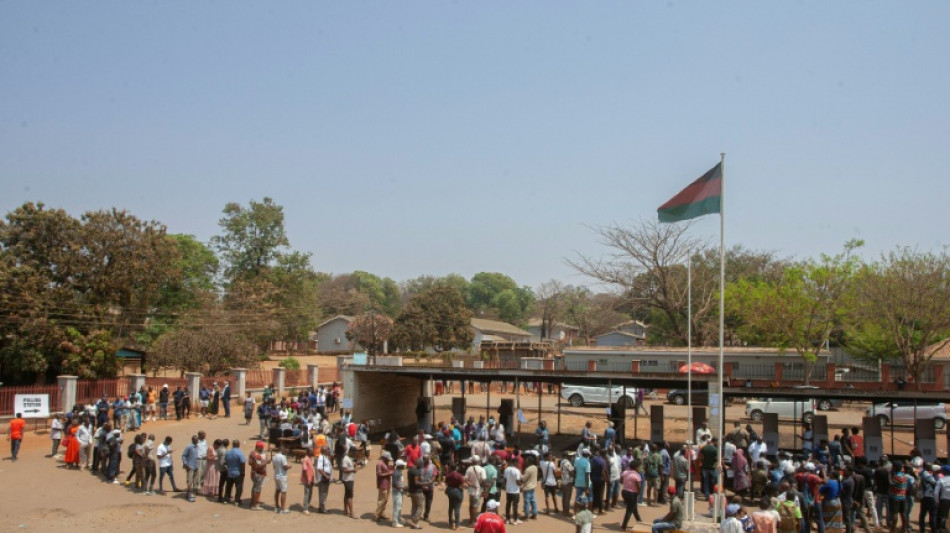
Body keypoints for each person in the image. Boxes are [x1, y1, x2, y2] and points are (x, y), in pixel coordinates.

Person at [620, 459, 643, 529]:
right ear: (636, 467)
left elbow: (621, 481)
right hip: (632, 494)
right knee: (629, 510)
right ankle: (624, 525)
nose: (640, 468)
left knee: (634, 508)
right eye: (639, 467)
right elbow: (639, 487)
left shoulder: (625, 472)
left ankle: (639, 521)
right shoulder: (637, 475)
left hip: (624, 492)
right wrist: (638, 494)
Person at [465, 457, 487, 525]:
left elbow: (466, 479)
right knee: (475, 506)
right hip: (478, 490)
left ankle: (471, 520)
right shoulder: (481, 469)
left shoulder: (469, 468)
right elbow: (483, 480)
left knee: (471, 505)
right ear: (478, 461)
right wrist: (485, 489)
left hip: (471, 490)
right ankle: (472, 522)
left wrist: (471, 485)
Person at [224, 439, 246, 506]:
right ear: (238, 445)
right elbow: (243, 463)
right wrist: (243, 472)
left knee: (228, 487)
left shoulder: (228, 452)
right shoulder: (240, 453)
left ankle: (226, 499)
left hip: (230, 472)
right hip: (238, 472)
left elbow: (226, 462)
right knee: (238, 487)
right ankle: (237, 500)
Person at [376, 451, 395, 521]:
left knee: (386, 499)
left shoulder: (385, 463)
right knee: (382, 500)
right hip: (382, 484)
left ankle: (382, 513)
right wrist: (388, 473)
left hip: (388, 483)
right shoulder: (379, 464)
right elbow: (379, 474)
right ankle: (377, 514)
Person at [445, 462, 466, 530]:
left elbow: (446, 483)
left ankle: (450, 523)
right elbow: (463, 485)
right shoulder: (459, 475)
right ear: (456, 468)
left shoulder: (448, 475)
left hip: (450, 491)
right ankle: (457, 525)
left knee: (450, 507)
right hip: (457, 491)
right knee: (457, 509)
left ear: (450, 468)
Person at [408, 458, 426, 529]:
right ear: (418, 464)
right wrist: (426, 483)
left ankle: (413, 521)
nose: (421, 465)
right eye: (421, 464)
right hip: (417, 491)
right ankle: (415, 521)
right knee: (420, 506)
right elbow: (416, 482)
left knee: (414, 506)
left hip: (411, 491)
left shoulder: (410, 470)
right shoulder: (416, 472)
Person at [503, 458, 523, 524]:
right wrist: (521, 485)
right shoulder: (517, 471)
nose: (518, 464)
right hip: (515, 491)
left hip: (508, 490)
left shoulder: (507, 469)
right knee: (515, 505)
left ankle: (507, 519)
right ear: (516, 462)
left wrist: (505, 486)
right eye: (518, 463)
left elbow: (505, 480)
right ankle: (515, 519)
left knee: (508, 504)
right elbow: (517, 482)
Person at [272, 446, 291, 514]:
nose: (285, 452)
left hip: (276, 475)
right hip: (282, 476)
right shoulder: (283, 457)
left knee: (277, 491)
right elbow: (285, 467)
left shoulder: (274, 457)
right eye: (284, 450)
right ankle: (283, 509)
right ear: (282, 450)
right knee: (283, 492)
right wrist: (289, 467)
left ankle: (276, 506)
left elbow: (274, 467)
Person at [315, 444, 333, 513]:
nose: (329, 450)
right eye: (328, 449)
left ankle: (323, 506)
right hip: (323, 478)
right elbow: (319, 468)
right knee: (322, 493)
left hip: (327, 478)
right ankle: (321, 508)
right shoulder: (321, 457)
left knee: (325, 493)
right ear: (324, 451)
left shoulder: (326, 457)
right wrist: (325, 476)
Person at [182, 435, 200, 502]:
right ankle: (189, 496)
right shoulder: (189, 446)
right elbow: (183, 455)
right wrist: (186, 464)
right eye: (196, 439)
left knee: (194, 481)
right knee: (189, 481)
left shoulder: (196, 447)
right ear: (193, 440)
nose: (197, 441)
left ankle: (189, 494)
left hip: (195, 466)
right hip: (190, 466)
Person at [521, 452, 539, 520]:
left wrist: (520, 473)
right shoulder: (535, 467)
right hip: (533, 486)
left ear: (528, 461)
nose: (524, 462)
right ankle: (535, 514)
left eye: (525, 460)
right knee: (533, 501)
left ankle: (526, 515)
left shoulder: (528, 469)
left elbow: (523, 479)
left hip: (527, 487)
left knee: (527, 502)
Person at [341, 447, 356, 518]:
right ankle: (351, 513)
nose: (354, 455)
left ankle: (346, 510)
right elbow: (344, 470)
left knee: (347, 494)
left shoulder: (349, 458)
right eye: (353, 453)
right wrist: (353, 470)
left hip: (349, 479)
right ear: (350, 452)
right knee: (350, 496)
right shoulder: (345, 459)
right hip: (347, 480)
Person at [393, 459, 408, 527]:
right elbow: (394, 484)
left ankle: (399, 519)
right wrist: (402, 488)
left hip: (400, 491)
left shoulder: (399, 471)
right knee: (397, 507)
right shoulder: (396, 473)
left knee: (399, 507)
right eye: (403, 465)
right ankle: (395, 523)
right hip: (397, 493)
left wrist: (403, 487)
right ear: (399, 466)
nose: (404, 466)